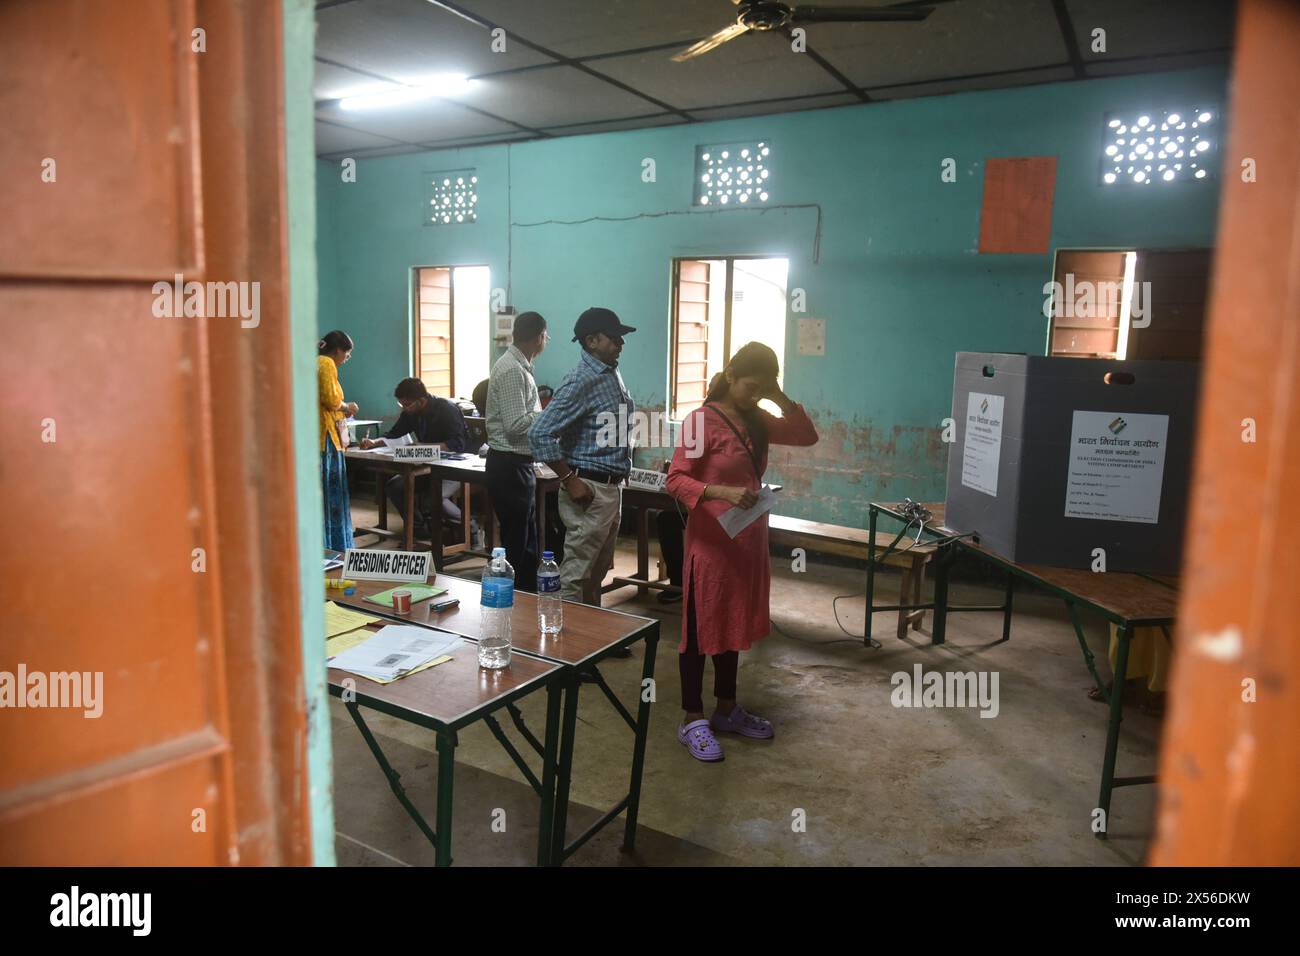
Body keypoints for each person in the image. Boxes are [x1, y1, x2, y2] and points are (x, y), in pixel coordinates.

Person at [665, 342, 818, 762]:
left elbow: (807, 435)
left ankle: (727, 708)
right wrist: (719, 491)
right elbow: (676, 479)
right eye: (751, 386)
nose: (754, 396)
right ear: (730, 376)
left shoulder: (759, 420)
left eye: (762, 389)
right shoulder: (701, 421)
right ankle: (692, 718)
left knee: (731, 624)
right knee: (698, 632)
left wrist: (777, 396)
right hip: (710, 544)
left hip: (746, 540)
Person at [529, 307, 637, 606]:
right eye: (614, 338)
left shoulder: (609, 372)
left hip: (611, 487)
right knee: (576, 573)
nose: (620, 344)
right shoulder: (581, 381)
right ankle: (559, 641)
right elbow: (540, 433)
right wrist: (568, 479)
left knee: (596, 571)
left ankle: (592, 638)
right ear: (591, 341)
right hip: (588, 488)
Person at [485, 311, 548, 592]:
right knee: (517, 542)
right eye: (546, 336)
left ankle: (527, 595)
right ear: (538, 338)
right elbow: (514, 425)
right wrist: (547, 414)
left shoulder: (519, 367)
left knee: (527, 540)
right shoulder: (512, 370)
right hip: (509, 465)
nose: (546, 340)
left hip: (518, 464)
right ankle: (515, 599)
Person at [359, 377, 469, 538]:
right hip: (425, 464)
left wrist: (424, 447)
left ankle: (470, 530)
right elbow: (395, 433)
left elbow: (458, 444)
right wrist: (373, 442)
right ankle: (419, 531)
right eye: (401, 405)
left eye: (407, 405)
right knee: (394, 487)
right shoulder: (411, 412)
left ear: (422, 401)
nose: (404, 408)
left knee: (433, 498)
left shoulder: (447, 409)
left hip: (453, 467)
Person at [318, 330, 358, 551]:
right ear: (337, 351)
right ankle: (335, 546)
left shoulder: (315, 362)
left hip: (319, 433)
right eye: (347, 354)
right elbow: (332, 399)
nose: (346, 359)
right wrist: (347, 407)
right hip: (326, 435)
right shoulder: (326, 363)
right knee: (332, 492)